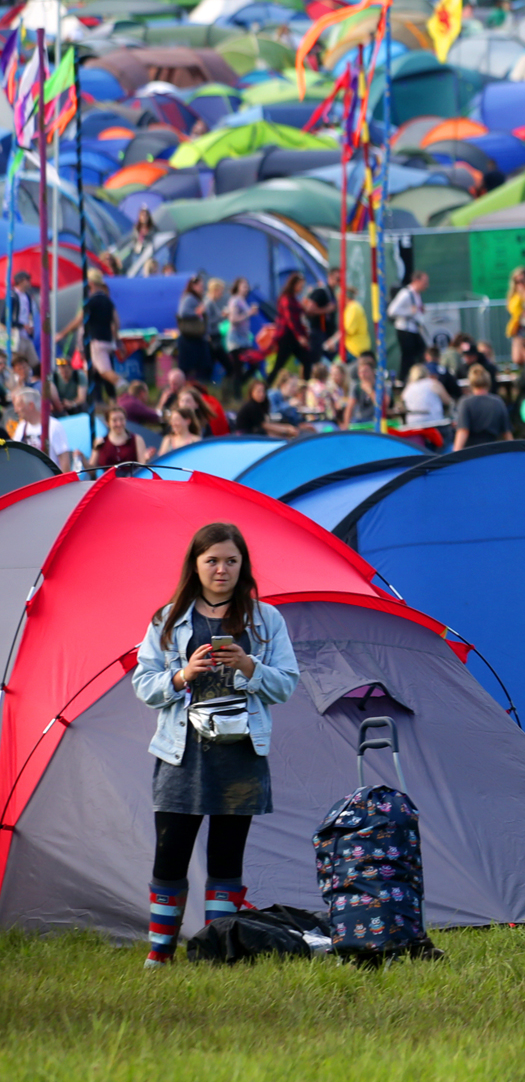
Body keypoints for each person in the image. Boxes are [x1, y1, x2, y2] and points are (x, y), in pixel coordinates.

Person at [131, 523, 299, 967]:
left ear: (243, 565)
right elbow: (143, 685)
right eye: (211, 561)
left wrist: (249, 665)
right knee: (170, 855)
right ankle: (159, 953)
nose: (221, 569)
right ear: (196, 565)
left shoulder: (266, 620)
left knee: (226, 859)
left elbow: (285, 686)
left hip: (240, 754)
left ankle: (215, 952)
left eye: (231, 560)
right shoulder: (166, 619)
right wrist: (183, 674)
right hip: (180, 754)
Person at [81, 272, 119, 408]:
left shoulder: (91, 301)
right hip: (107, 341)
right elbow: (116, 322)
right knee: (90, 371)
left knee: (105, 372)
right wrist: (116, 339)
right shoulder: (108, 301)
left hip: (96, 341)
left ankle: (128, 388)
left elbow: (80, 319)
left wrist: (62, 333)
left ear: (90, 283)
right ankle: (98, 401)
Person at [452, 365, 510, 449]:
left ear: (471, 383)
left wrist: (455, 454)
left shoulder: (465, 402)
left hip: (472, 453)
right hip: (492, 450)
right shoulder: (498, 402)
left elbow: (463, 431)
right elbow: (507, 433)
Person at [387, 271, 429, 377]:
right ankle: (403, 378)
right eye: (424, 282)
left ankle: (419, 375)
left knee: (420, 352)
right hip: (405, 329)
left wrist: (419, 311)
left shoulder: (416, 294)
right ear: (416, 281)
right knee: (408, 356)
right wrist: (410, 312)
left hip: (413, 329)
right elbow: (392, 311)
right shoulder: (405, 294)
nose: (426, 286)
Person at [399, 361, 449, 430]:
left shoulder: (408, 389)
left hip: (412, 425)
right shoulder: (433, 383)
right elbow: (448, 401)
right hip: (434, 424)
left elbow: (401, 405)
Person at [88, 403, 139, 469]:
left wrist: (146, 459)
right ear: (107, 422)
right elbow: (91, 470)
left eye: (121, 419)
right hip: (108, 479)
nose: (119, 424)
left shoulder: (136, 439)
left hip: (130, 478)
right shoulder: (100, 442)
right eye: (114, 420)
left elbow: (143, 469)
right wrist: (82, 458)